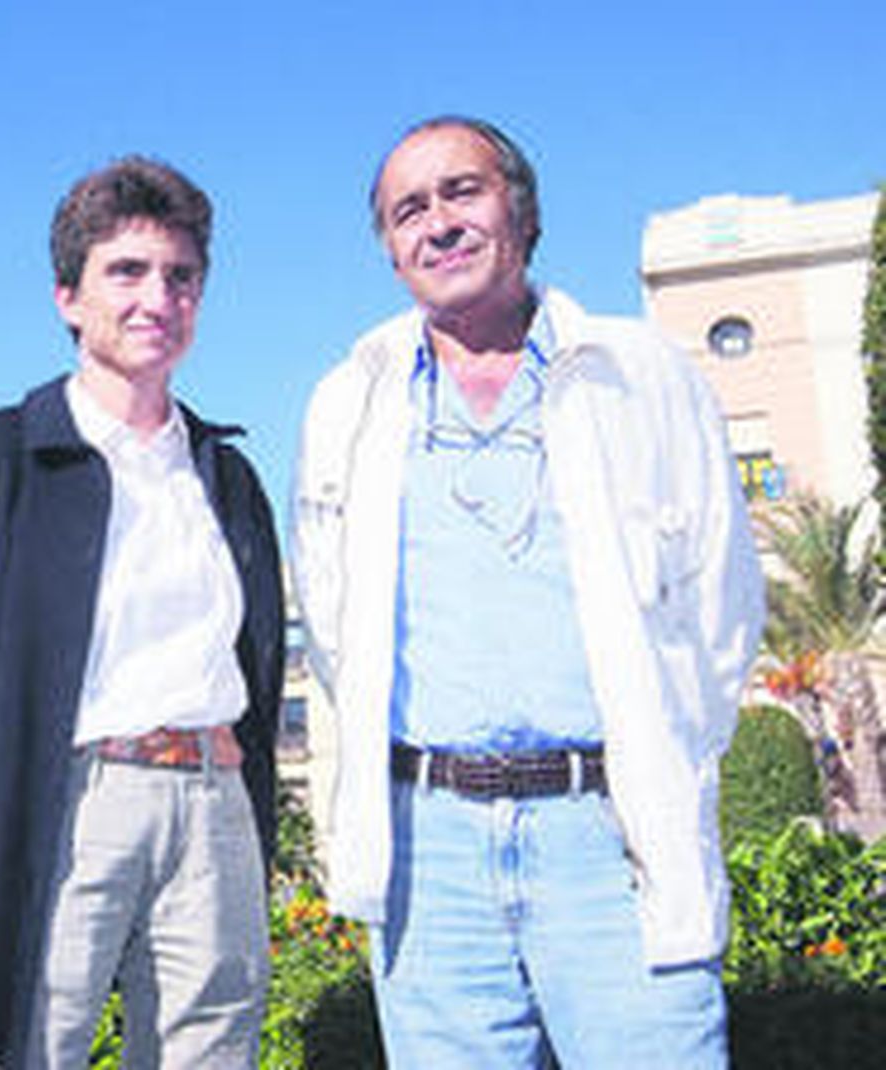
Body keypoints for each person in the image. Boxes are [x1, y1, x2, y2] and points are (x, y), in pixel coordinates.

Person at [291, 116, 765, 1068]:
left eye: (462, 191)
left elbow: (721, 609)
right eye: (408, 210)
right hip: (430, 859)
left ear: (523, 208)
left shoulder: (642, 376)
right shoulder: (350, 400)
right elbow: (333, 623)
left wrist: (652, 754)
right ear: (390, 250)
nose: (438, 224)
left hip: (608, 843)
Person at [0, 156, 283, 1068]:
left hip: (214, 807)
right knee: (28, 1049)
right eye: (127, 271)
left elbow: (261, 660)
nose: (159, 297)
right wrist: (13, 787)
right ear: (68, 297)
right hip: (72, 801)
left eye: (181, 276)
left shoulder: (227, 478)